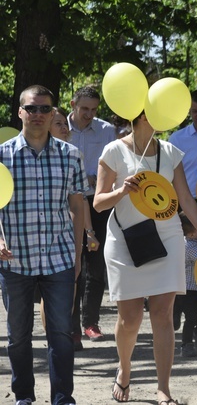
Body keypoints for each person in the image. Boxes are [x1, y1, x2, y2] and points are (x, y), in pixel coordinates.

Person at [94, 111, 197, 404]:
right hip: (126, 239)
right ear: (139, 115)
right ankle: (124, 371)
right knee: (130, 319)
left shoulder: (169, 151)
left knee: (163, 316)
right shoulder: (113, 150)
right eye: (154, 112)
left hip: (167, 236)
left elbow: (186, 199)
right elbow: (99, 203)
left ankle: (163, 388)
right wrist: (122, 191)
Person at [0, 85, 87, 405]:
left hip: (59, 258)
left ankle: (63, 398)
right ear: (20, 112)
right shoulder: (2, 155)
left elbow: (78, 208)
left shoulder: (71, 155)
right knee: (18, 337)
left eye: (45, 109)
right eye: (31, 108)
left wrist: (77, 255)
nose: (38, 115)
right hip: (14, 262)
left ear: (53, 113)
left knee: (61, 334)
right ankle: (23, 397)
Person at [67, 85, 116, 343]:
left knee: (95, 265)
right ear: (73, 104)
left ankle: (91, 323)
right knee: (72, 266)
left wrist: (96, 178)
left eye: (94, 109)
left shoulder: (107, 130)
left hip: (97, 203)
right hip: (67, 203)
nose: (89, 114)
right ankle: (71, 325)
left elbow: (113, 166)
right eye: (84, 108)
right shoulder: (59, 127)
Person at [50, 107, 99, 351]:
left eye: (64, 124)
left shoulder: (72, 156)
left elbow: (81, 201)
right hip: (44, 233)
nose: (64, 128)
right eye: (58, 123)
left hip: (71, 232)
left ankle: (71, 331)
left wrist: (89, 233)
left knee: (73, 282)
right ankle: (57, 334)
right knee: (49, 292)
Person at [173, 212, 197, 358]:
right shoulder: (190, 246)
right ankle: (186, 344)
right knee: (191, 317)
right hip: (189, 290)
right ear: (192, 233)